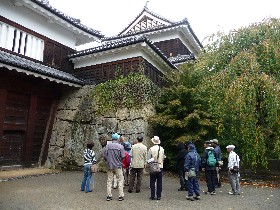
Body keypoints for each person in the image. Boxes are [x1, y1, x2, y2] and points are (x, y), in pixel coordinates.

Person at [103, 133, 126, 201]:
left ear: (112, 139)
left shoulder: (108, 146)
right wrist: (119, 160)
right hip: (118, 166)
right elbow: (123, 156)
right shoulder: (120, 146)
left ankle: (109, 196)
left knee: (109, 181)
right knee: (120, 180)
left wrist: (108, 160)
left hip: (109, 166)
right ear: (117, 138)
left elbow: (104, 155)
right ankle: (120, 196)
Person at [147, 136, 165, 200]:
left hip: (153, 166)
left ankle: (152, 195)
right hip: (160, 166)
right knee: (159, 181)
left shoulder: (151, 149)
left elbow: (148, 159)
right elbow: (163, 157)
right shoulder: (162, 149)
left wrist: (149, 164)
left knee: (152, 181)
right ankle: (159, 195)